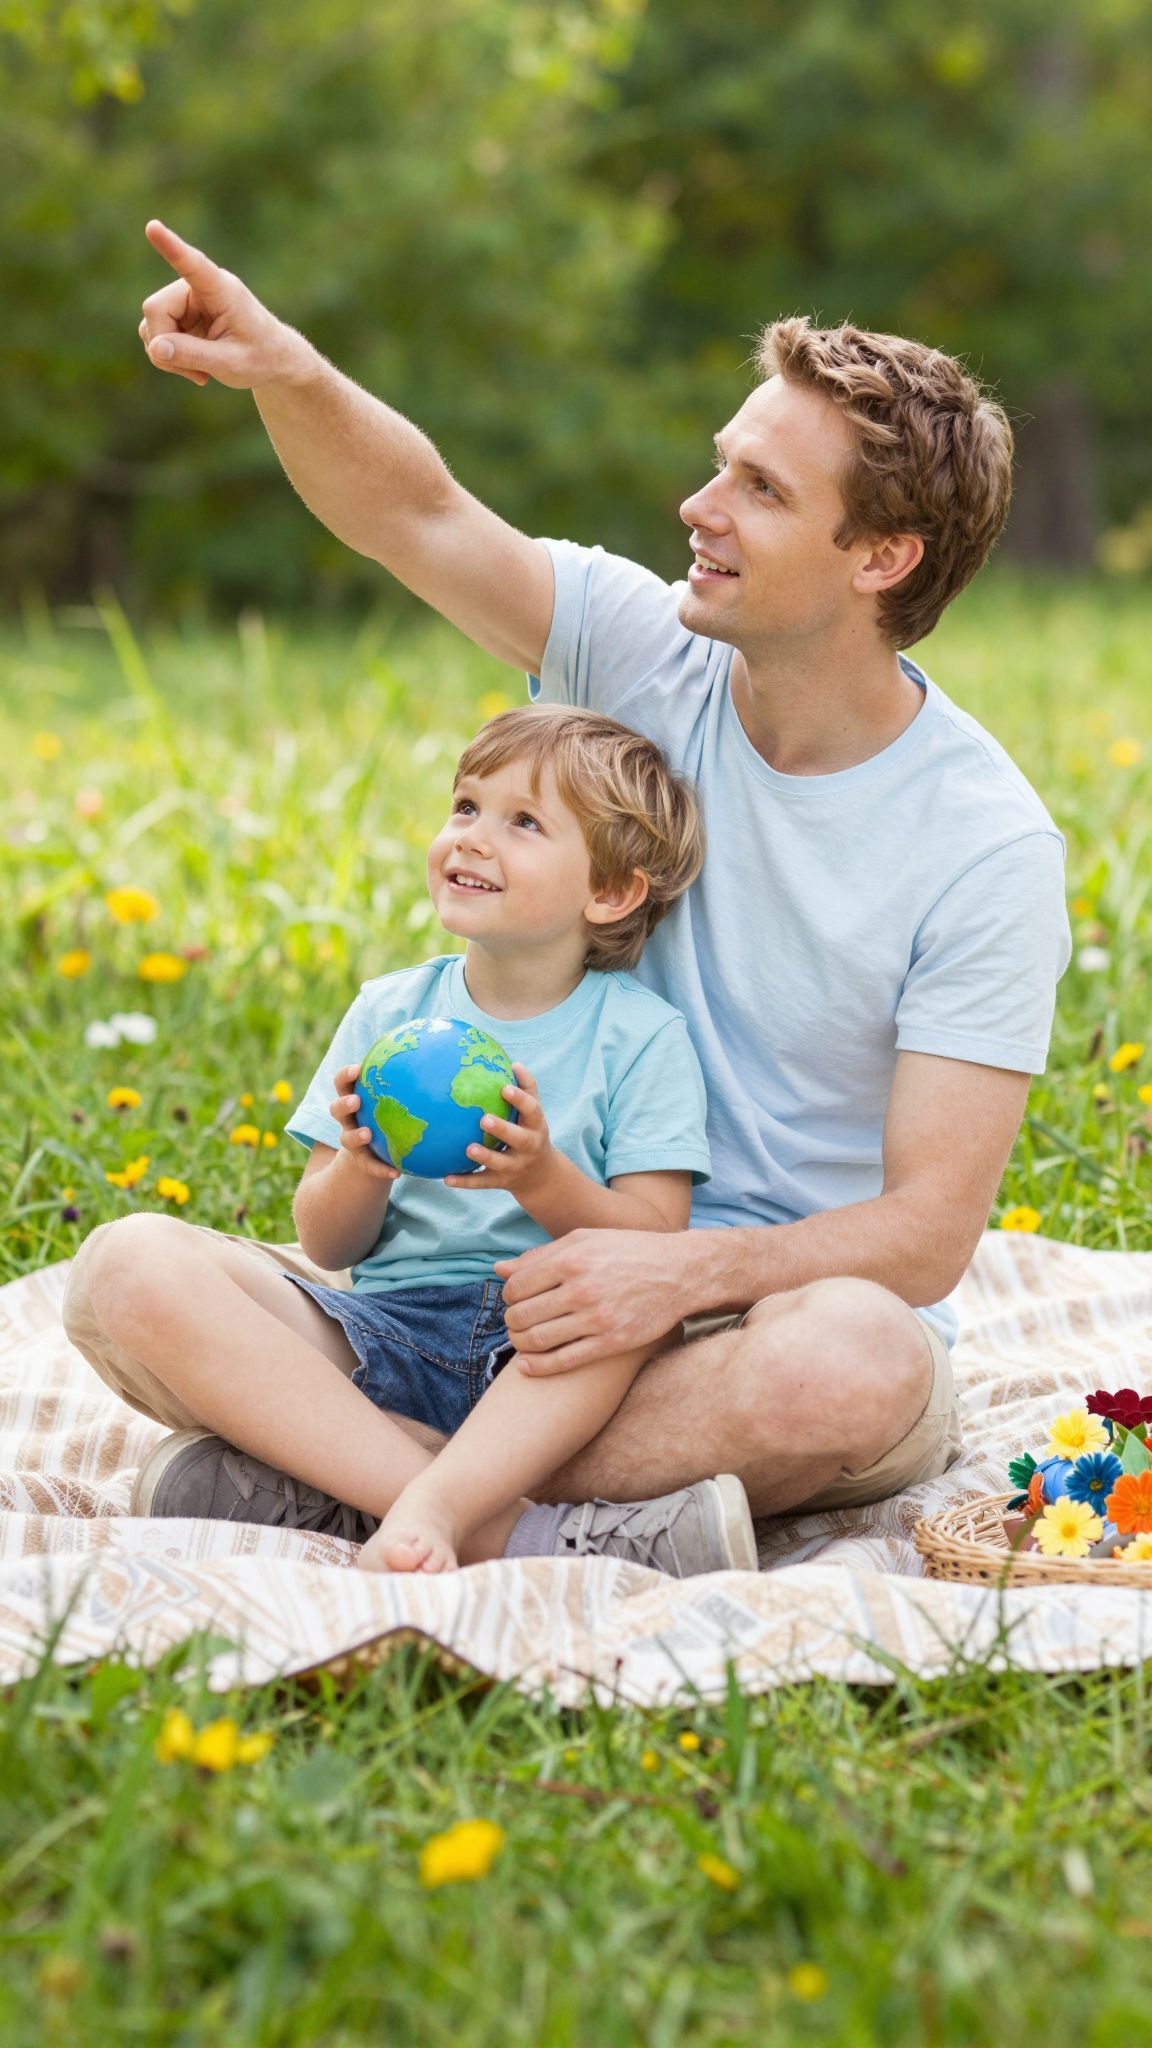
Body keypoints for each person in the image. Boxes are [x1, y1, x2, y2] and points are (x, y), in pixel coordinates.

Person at [65, 220, 1071, 1537]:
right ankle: (481, 1514)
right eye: (721, 468)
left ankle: (340, 1477)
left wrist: (673, 1277)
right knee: (123, 1277)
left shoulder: (983, 843)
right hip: (489, 1294)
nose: (698, 509)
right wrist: (290, 374)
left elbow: (929, 1231)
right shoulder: (647, 649)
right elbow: (418, 515)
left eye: (761, 490)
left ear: (881, 558)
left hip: (745, 1321)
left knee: (857, 1363)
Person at [72, 704, 764, 1578]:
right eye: (466, 807)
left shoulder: (641, 1036)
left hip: (545, 1349)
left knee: (623, 1314)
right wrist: (360, 1166)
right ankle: (495, 1531)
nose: (472, 839)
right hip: (383, 1333)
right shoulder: (390, 1012)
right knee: (128, 1261)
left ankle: (379, 1500)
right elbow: (327, 1243)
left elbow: (656, 1245)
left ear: (612, 891)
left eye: (523, 823)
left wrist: (541, 1176)